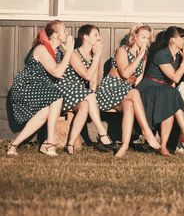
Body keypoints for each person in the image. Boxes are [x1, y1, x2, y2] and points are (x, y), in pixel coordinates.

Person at [7, 20, 73, 156]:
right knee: (57, 96)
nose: (67, 33)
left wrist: (67, 52)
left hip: (40, 87)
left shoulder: (58, 52)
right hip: (26, 86)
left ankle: (13, 145)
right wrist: (70, 52)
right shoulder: (42, 49)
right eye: (64, 30)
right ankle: (50, 142)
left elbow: (63, 73)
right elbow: (57, 72)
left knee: (44, 113)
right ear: (55, 35)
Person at [96, 24, 161, 158]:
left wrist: (142, 57)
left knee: (129, 104)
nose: (146, 41)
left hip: (126, 91)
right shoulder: (122, 50)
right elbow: (125, 74)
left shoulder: (143, 56)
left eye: (148, 39)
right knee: (134, 94)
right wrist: (139, 56)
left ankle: (124, 145)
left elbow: (137, 81)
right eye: (143, 37)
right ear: (134, 37)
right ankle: (147, 131)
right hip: (110, 88)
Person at [136, 26, 184, 156]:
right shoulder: (162, 55)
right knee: (170, 94)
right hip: (148, 90)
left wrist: (183, 58)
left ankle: (164, 146)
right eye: (182, 38)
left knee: (170, 102)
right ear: (172, 40)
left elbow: (173, 83)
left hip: (163, 91)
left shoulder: (176, 56)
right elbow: (175, 77)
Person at [56, 24, 118, 154]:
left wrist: (92, 98)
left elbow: (93, 81)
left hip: (81, 94)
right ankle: (102, 134)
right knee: (89, 96)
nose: (99, 38)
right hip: (64, 90)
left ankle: (70, 144)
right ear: (85, 37)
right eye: (95, 35)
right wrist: (97, 56)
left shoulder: (94, 56)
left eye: (99, 35)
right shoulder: (73, 53)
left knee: (85, 105)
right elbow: (86, 75)